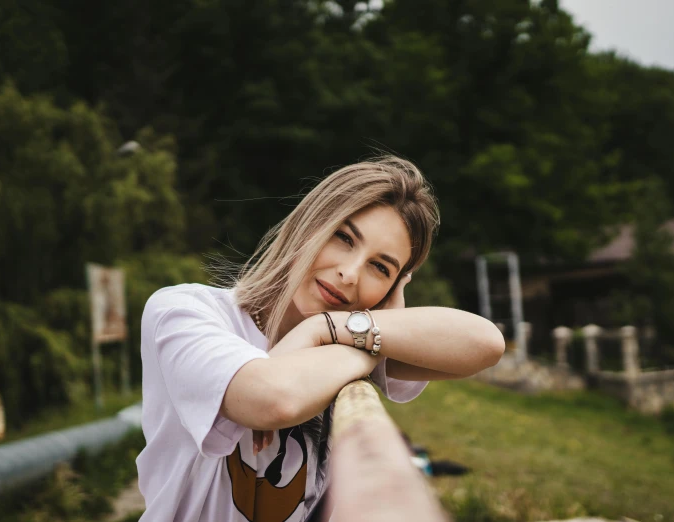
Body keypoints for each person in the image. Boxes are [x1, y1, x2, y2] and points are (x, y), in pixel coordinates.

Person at [136, 156, 505, 522]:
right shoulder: (185, 312)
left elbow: (486, 344)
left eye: (380, 267)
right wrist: (365, 343)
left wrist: (325, 330)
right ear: (308, 225)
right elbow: (272, 399)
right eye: (344, 237)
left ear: (393, 288)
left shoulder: (346, 338)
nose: (349, 273)